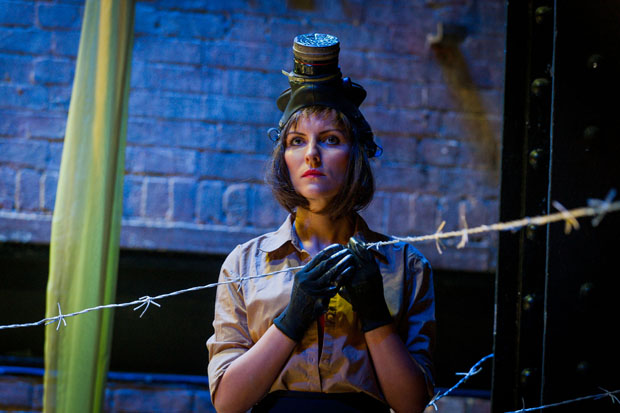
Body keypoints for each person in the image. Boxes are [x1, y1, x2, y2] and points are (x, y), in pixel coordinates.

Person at [207, 33, 435, 413]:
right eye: (297, 141)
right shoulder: (244, 264)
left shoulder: (405, 266)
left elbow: (411, 403)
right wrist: (293, 317)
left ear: (355, 153)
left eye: (330, 139)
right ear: (283, 158)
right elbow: (228, 402)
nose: (312, 154)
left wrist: (374, 311)